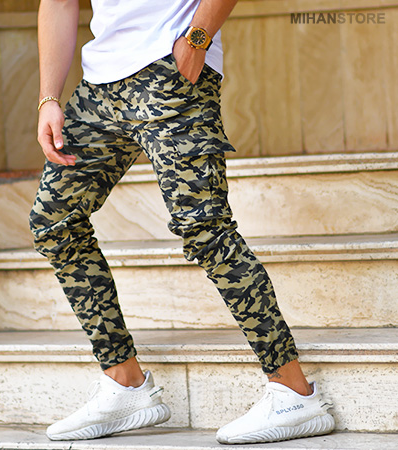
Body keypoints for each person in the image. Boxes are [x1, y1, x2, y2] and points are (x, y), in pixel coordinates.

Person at [29, 0, 335, 444]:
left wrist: (197, 40)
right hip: (99, 86)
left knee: (205, 229)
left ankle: (294, 392)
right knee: (54, 223)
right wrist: (49, 98)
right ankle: (125, 383)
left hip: (169, 70)